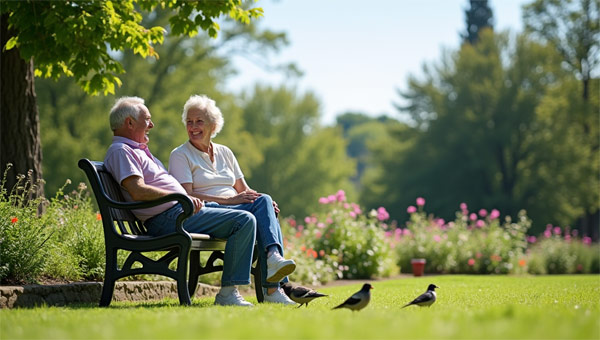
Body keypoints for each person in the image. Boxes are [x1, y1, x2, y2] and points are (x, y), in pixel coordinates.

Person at [104, 96, 269, 307]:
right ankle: (229, 292)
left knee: (259, 207)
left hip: (180, 212)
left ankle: (273, 281)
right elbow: (137, 191)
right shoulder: (121, 151)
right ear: (129, 123)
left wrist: (186, 200)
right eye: (147, 120)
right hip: (168, 218)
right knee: (243, 220)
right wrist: (182, 197)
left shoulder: (136, 151)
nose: (151, 125)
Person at [168, 94, 297, 305]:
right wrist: (228, 202)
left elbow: (244, 190)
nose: (193, 127)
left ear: (213, 125)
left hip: (235, 207)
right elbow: (186, 196)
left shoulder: (225, 152)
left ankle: (274, 266)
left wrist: (263, 201)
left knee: (264, 200)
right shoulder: (180, 155)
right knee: (248, 216)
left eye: (199, 121)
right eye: (189, 122)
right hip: (206, 212)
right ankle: (270, 289)